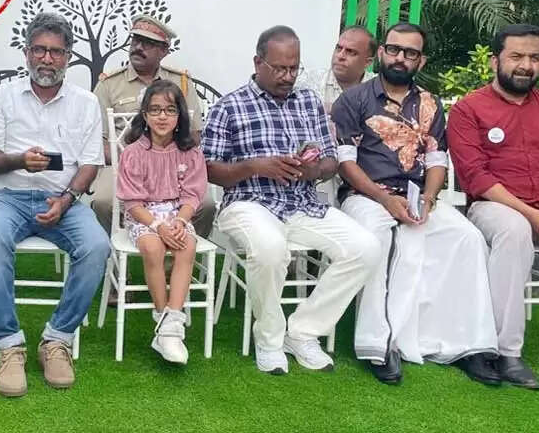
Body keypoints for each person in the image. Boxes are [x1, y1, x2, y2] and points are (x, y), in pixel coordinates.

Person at [202, 25, 380, 375]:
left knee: (366, 249)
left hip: (302, 203)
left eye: (294, 68)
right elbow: (208, 169)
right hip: (248, 203)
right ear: (258, 62)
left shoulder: (308, 101)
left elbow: (331, 161)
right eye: (279, 68)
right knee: (270, 248)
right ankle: (269, 340)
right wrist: (255, 166)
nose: (287, 77)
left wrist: (313, 170)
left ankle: (302, 333)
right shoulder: (230, 106)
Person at [331, 22, 499, 386]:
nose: (400, 58)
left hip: (417, 196)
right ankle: (379, 345)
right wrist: (385, 199)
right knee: (382, 238)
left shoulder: (429, 103)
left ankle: (468, 344)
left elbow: (437, 160)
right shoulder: (354, 100)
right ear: (381, 53)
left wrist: (428, 198)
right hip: (365, 197)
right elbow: (346, 164)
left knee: (467, 238)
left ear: (420, 61)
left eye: (410, 53)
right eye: (394, 49)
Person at [0, 12, 110, 397]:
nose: (46, 59)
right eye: (39, 50)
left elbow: (90, 164)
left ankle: (57, 339)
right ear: (26, 52)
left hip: (63, 199)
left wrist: (66, 200)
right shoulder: (1, 96)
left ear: (68, 56)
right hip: (8, 197)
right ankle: (9, 345)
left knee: (97, 246)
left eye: (55, 52)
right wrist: (19, 160)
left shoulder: (85, 102)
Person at [447, 23, 539, 390]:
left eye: (534, 58)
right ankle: (506, 352)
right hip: (493, 208)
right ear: (494, 61)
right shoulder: (469, 109)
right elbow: (476, 177)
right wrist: (534, 215)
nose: (526, 66)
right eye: (516, 56)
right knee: (514, 230)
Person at [92, 14, 215, 238]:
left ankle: (182, 250)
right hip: (123, 165)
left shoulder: (181, 83)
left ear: (164, 50)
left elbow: (194, 134)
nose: (138, 47)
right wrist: (134, 161)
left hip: (175, 165)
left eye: (147, 43)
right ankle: (114, 252)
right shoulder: (109, 84)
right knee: (103, 201)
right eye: (135, 40)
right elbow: (99, 141)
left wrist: (163, 158)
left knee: (205, 204)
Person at [116, 80, 207, 364]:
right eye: (154, 110)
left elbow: (192, 195)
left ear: (180, 115)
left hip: (177, 215)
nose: (162, 117)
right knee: (152, 247)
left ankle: (172, 323)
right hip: (144, 217)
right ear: (144, 115)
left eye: (169, 110)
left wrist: (179, 221)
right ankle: (162, 317)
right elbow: (132, 203)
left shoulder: (190, 152)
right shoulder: (133, 153)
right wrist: (157, 226)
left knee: (186, 246)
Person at [298, 25, 377, 206]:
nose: (341, 56)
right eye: (338, 48)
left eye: (351, 52)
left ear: (367, 62)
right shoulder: (306, 83)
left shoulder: (378, 90)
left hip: (364, 174)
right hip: (318, 173)